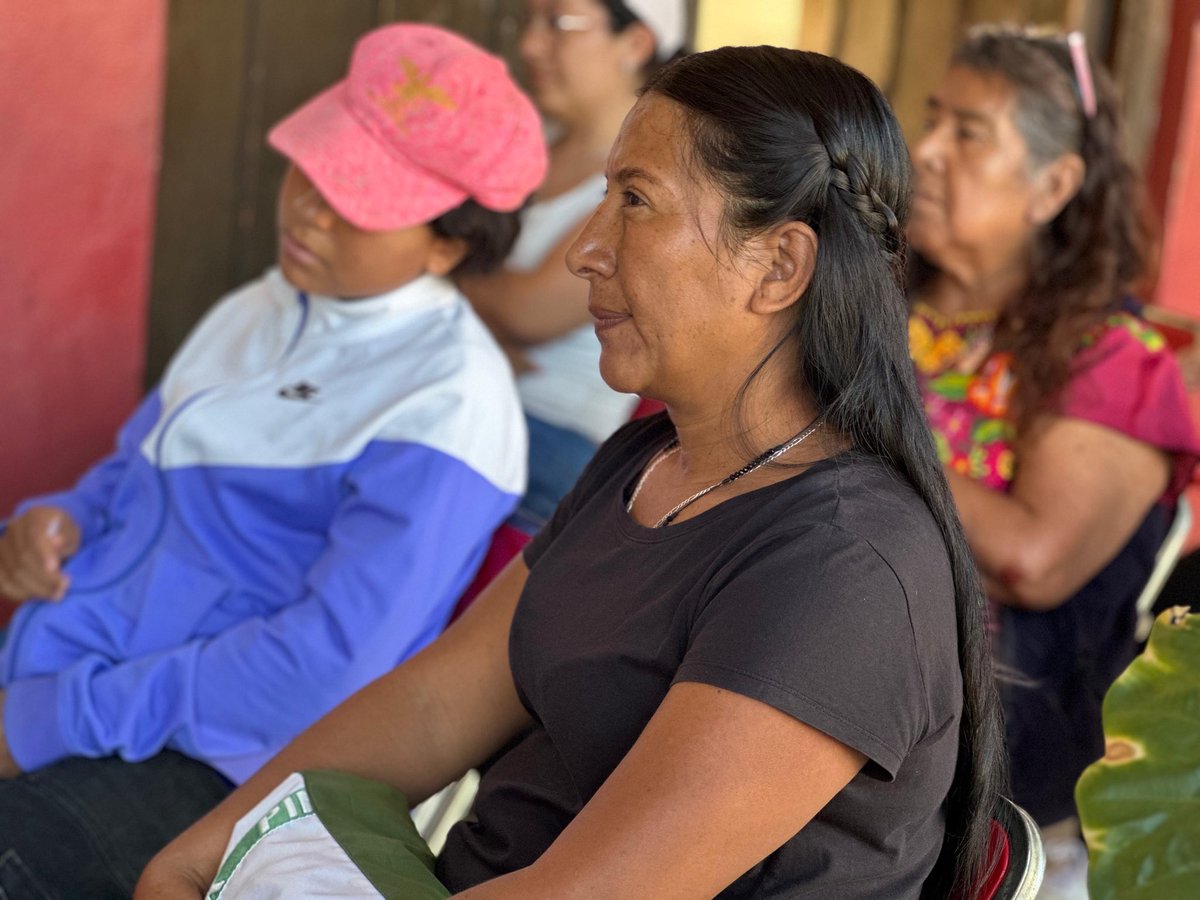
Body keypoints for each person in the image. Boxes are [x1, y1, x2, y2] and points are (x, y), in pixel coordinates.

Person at [139, 45, 1006, 899]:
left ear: (779, 266)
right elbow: (434, 706)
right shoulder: (647, 464)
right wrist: (203, 854)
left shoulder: (845, 568)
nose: (585, 250)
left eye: (636, 201)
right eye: (604, 196)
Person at [0, 23, 546, 897]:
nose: (308, 207)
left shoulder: (448, 405)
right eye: (313, 168)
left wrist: (51, 716)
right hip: (70, 673)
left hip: (221, 761)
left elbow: (320, 673)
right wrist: (56, 519)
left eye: (357, 196)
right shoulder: (261, 306)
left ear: (449, 243)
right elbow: (134, 469)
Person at [907, 23, 1200, 889]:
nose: (923, 151)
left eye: (968, 134)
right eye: (932, 120)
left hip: (978, 759)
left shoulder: (1110, 359)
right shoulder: (870, 298)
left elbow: (1032, 558)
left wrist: (852, 421)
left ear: (1054, 184)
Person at [457, 0, 688, 533]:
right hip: (472, 393)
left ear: (635, 43)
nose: (531, 45)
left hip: (549, 435)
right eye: (530, 22)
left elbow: (525, 312)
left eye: (559, 23)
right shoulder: (526, 143)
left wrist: (440, 279)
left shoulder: (651, 183)